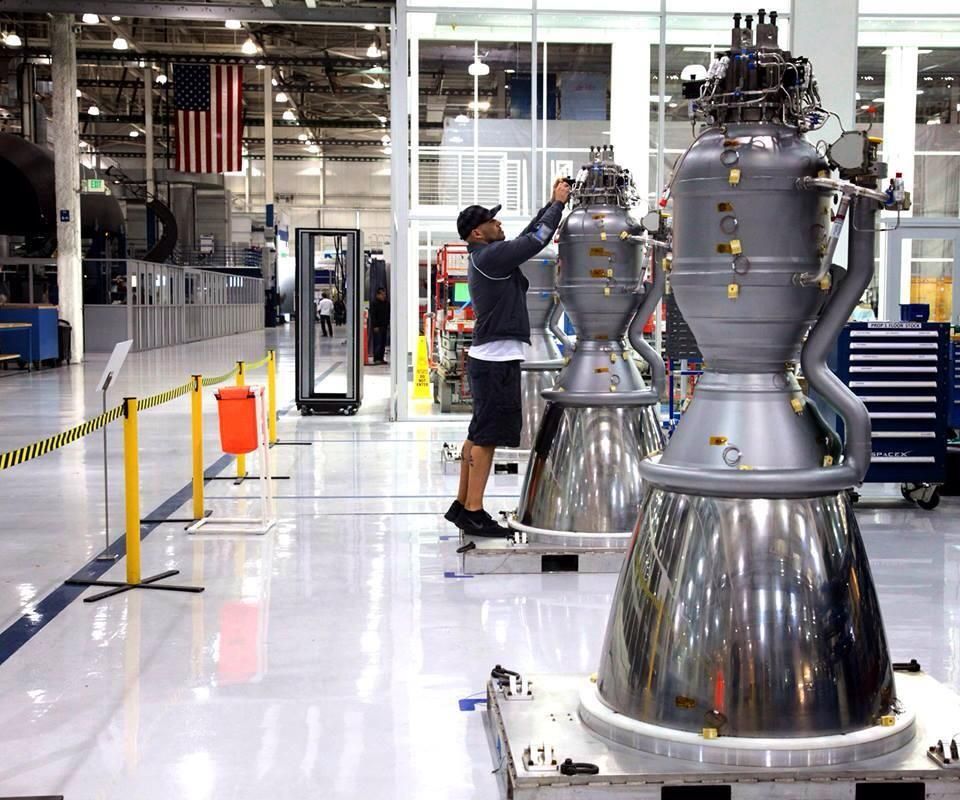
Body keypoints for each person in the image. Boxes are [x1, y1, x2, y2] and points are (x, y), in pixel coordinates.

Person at [445, 179, 571, 537]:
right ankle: (474, 512)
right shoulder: (489, 257)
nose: (499, 223)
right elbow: (535, 241)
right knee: (486, 439)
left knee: (477, 434)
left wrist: (550, 204)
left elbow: (525, 239)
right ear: (477, 233)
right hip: (496, 361)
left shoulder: (487, 255)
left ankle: (461, 504)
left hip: (490, 358)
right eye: (492, 221)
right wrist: (559, 206)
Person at [370, 287, 389, 364]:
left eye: (384, 294)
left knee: (383, 343)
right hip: (377, 326)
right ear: (378, 295)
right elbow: (373, 316)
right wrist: (375, 326)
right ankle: (376, 358)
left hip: (384, 326)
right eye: (382, 294)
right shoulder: (374, 303)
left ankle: (381, 358)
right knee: (378, 342)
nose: (384, 296)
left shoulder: (386, 303)